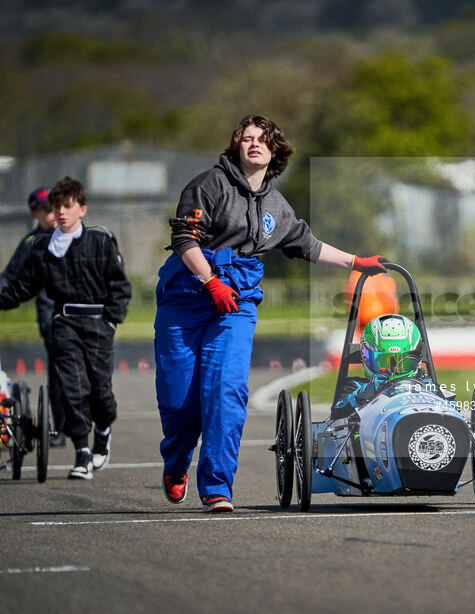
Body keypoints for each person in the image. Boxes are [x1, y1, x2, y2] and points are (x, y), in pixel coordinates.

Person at [155, 114, 387, 513]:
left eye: (263, 139)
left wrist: (357, 262)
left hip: (236, 305)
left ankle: (216, 488)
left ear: (275, 151)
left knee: (227, 392)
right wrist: (211, 280)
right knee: (181, 406)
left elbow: (307, 245)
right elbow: (183, 239)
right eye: (246, 138)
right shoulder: (208, 185)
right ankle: (175, 464)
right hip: (187, 299)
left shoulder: (276, 206)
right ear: (236, 145)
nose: (254, 144)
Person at [0, 177, 132, 479]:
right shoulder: (43, 247)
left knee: (101, 393)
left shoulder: (100, 240)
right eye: (56, 207)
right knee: (73, 390)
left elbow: (119, 286)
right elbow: (22, 287)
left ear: (81, 210)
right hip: (63, 325)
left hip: (98, 323)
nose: (61, 212)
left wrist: (111, 320)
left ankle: (102, 432)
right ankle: (82, 452)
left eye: (67, 206)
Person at [0, 187, 66, 446]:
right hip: (52, 317)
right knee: (59, 371)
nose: (53, 214)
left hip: (83, 317)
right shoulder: (32, 243)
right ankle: (60, 429)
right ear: (35, 213)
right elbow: (10, 278)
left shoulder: (79, 237)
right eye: (47, 210)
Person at [333, 313, 436, 415]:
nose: (393, 369)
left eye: (402, 362)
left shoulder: (426, 385)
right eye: (383, 361)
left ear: (417, 357)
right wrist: (368, 391)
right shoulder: (356, 386)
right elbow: (337, 411)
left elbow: (448, 407)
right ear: (365, 356)